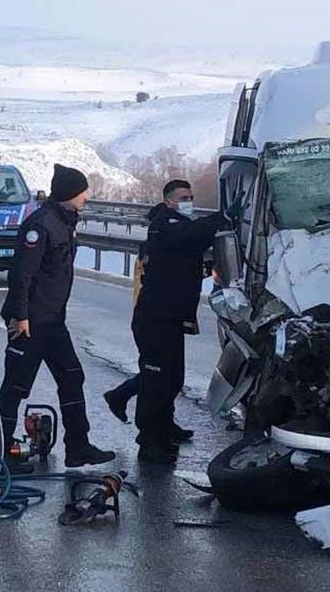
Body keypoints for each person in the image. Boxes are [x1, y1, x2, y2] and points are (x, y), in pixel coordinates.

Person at [0, 164, 116, 474]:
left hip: (53, 321)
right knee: (15, 388)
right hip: (30, 323)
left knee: (72, 377)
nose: (86, 196)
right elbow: (22, 274)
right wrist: (20, 316)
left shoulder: (65, 221)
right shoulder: (41, 224)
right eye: (82, 191)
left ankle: (78, 447)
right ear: (69, 193)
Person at [107, 179, 225, 464]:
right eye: (184, 197)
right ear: (169, 200)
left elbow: (184, 259)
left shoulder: (180, 224)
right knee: (156, 381)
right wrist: (221, 217)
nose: (189, 201)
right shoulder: (164, 224)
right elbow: (189, 236)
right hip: (155, 318)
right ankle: (149, 440)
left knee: (172, 378)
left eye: (191, 196)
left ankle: (161, 424)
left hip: (172, 317)